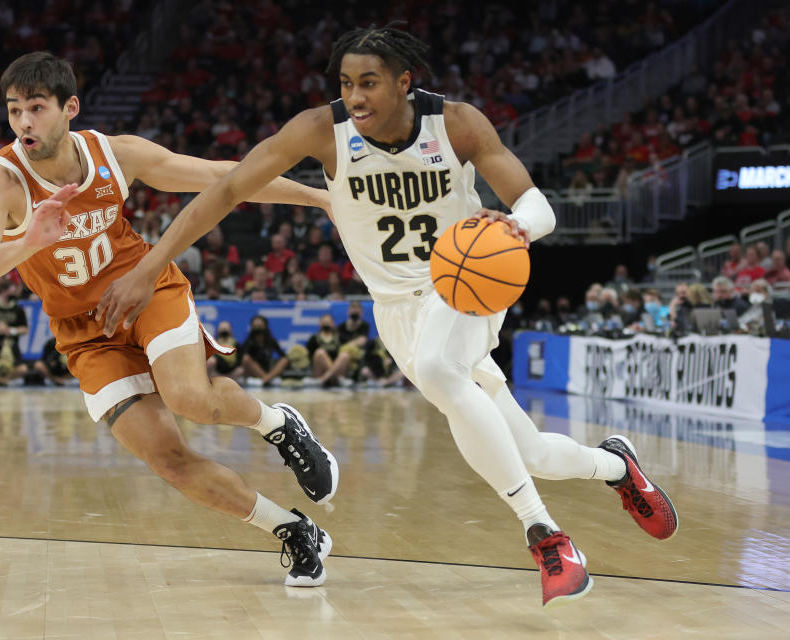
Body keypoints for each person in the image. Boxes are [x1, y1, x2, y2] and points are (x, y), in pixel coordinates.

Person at [99, 26, 678, 608]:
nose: (355, 96)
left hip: (467, 282)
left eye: (369, 82)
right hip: (396, 310)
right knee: (530, 453)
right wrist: (150, 266)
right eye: (347, 83)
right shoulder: (321, 131)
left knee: (439, 369)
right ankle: (616, 466)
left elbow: (536, 203)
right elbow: (224, 193)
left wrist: (518, 226)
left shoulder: (456, 124)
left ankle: (545, 536)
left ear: (405, 82)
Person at [0, 52, 338, 587]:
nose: (23, 123)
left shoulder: (116, 154)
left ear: (70, 108)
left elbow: (222, 177)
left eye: (35, 109)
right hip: (85, 335)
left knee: (191, 400)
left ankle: (277, 425)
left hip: (143, 289)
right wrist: (27, 238)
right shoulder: (4, 180)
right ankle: (293, 530)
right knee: (170, 462)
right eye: (14, 110)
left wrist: (319, 198)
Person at [239, 314, 289, 387]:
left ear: (265, 326)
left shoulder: (271, 340)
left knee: (285, 360)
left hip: (268, 371)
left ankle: (266, 379)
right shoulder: (249, 341)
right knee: (246, 358)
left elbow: (283, 355)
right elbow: (243, 359)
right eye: (255, 327)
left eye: (260, 326)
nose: (258, 329)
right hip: (254, 372)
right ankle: (267, 379)